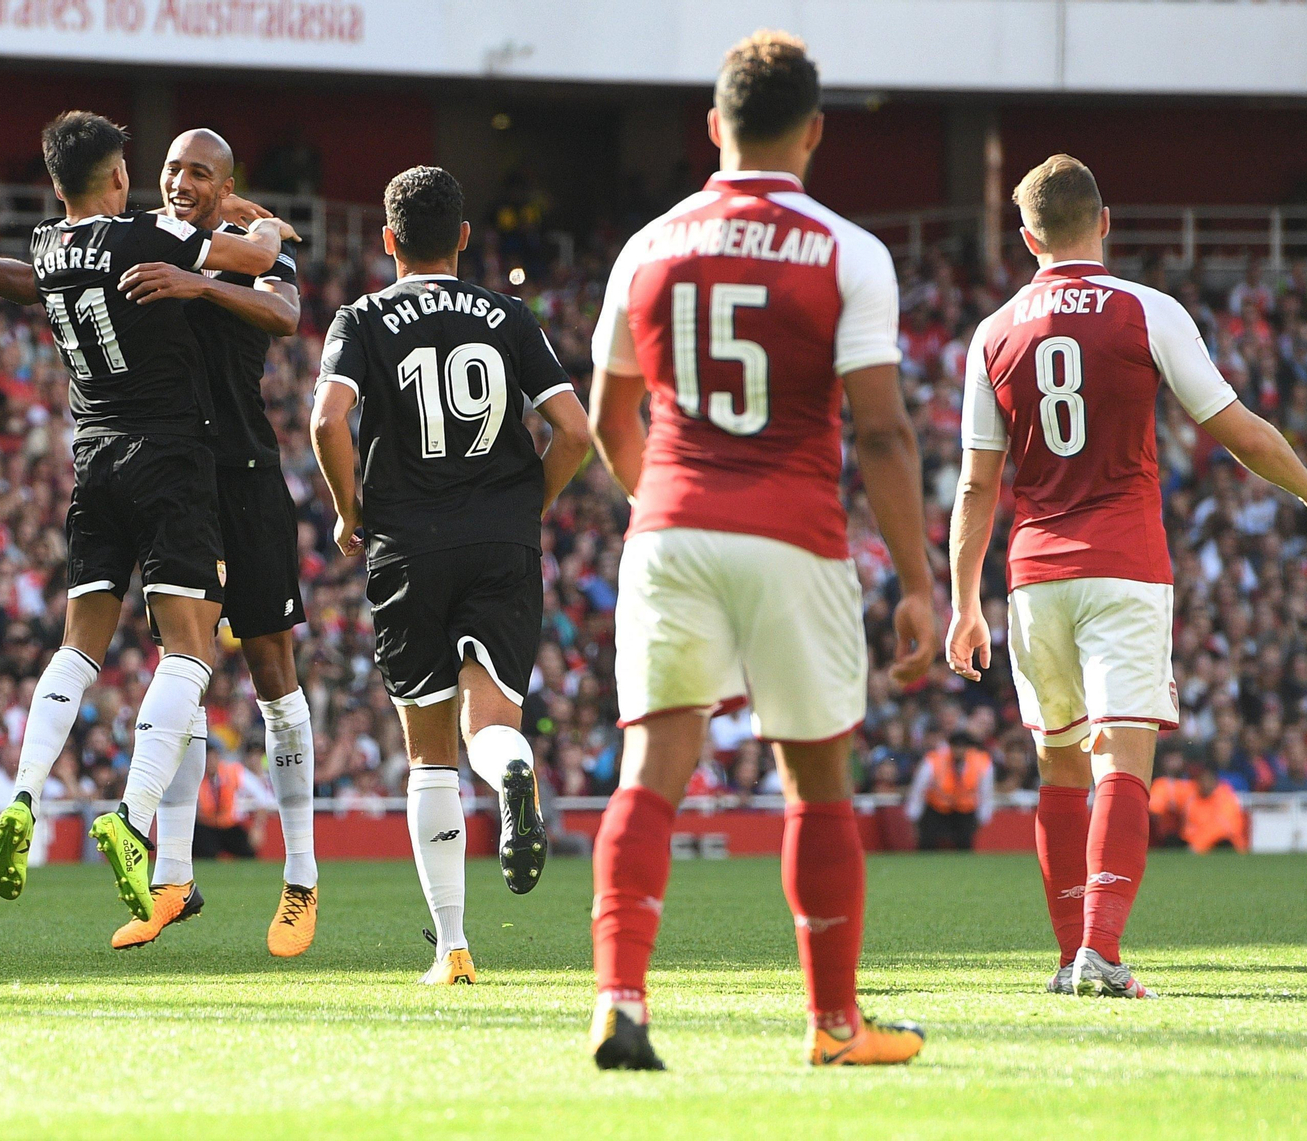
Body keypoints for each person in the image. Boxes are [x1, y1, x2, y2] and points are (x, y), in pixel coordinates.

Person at [586, 31, 934, 1069]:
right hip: (794, 535)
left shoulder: (645, 246)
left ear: (712, 127)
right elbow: (880, 431)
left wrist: (670, 507)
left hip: (672, 526)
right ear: (815, 130)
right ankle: (833, 1025)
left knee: (649, 769)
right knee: (815, 781)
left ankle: (618, 1000)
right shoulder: (847, 251)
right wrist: (916, 582)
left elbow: (612, 420)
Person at [0, 127, 320, 958]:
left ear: (227, 186)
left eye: (202, 174)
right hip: (176, 471)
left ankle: (300, 876)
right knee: (182, 673)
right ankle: (173, 879)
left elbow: (285, 309)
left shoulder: (212, 243)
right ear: (139, 175)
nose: (183, 182)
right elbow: (43, 278)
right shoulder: (148, 233)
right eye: (173, 168)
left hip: (241, 476)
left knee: (270, 678)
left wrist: (199, 283)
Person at [946, 154, 1307, 999]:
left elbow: (974, 484)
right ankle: (1101, 954)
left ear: (1028, 236)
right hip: (1125, 568)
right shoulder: (1147, 311)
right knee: (1125, 766)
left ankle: (1074, 954)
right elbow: (1241, 434)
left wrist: (965, 603)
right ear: (1103, 222)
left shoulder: (993, 331)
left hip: (1034, 574)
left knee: (1061, 768)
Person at [311, 165, 591, 985]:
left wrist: (346, 509)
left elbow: (330, 417)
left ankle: (454, 948)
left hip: (407, 543)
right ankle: (511, 766)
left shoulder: (362, 316)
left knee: (429, 752)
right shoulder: (507, 313)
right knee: (491, 716)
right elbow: (572, 431)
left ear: (389, 240)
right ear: (465, 237)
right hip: (501, 540)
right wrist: (522, 505)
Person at [905, 732, 995, 850]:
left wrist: (983, 817)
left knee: (964, 844)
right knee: (927, 843)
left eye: (963, 747)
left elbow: (986, 792)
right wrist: (914, 816)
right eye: (956, 746)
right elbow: (919, 788)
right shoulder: (934, 759)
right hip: (937, 807)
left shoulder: (981, 762)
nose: (959, 750)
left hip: (965, 810)